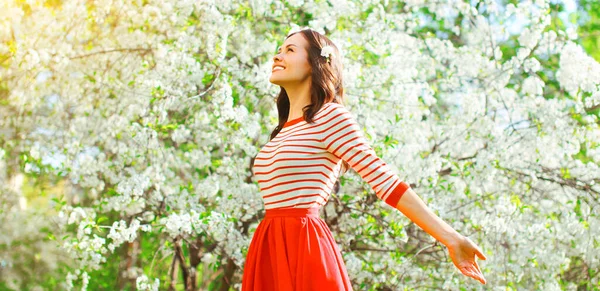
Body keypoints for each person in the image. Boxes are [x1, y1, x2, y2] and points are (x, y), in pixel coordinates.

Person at [241, 28, 488, 291]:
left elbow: (386, 182)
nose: (278, 56)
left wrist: (451, 238)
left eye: (290, 50)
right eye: (279, 50)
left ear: (316, 63)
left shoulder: (331, 117)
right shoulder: (282, 131)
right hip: (268, 245)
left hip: (305, 246)